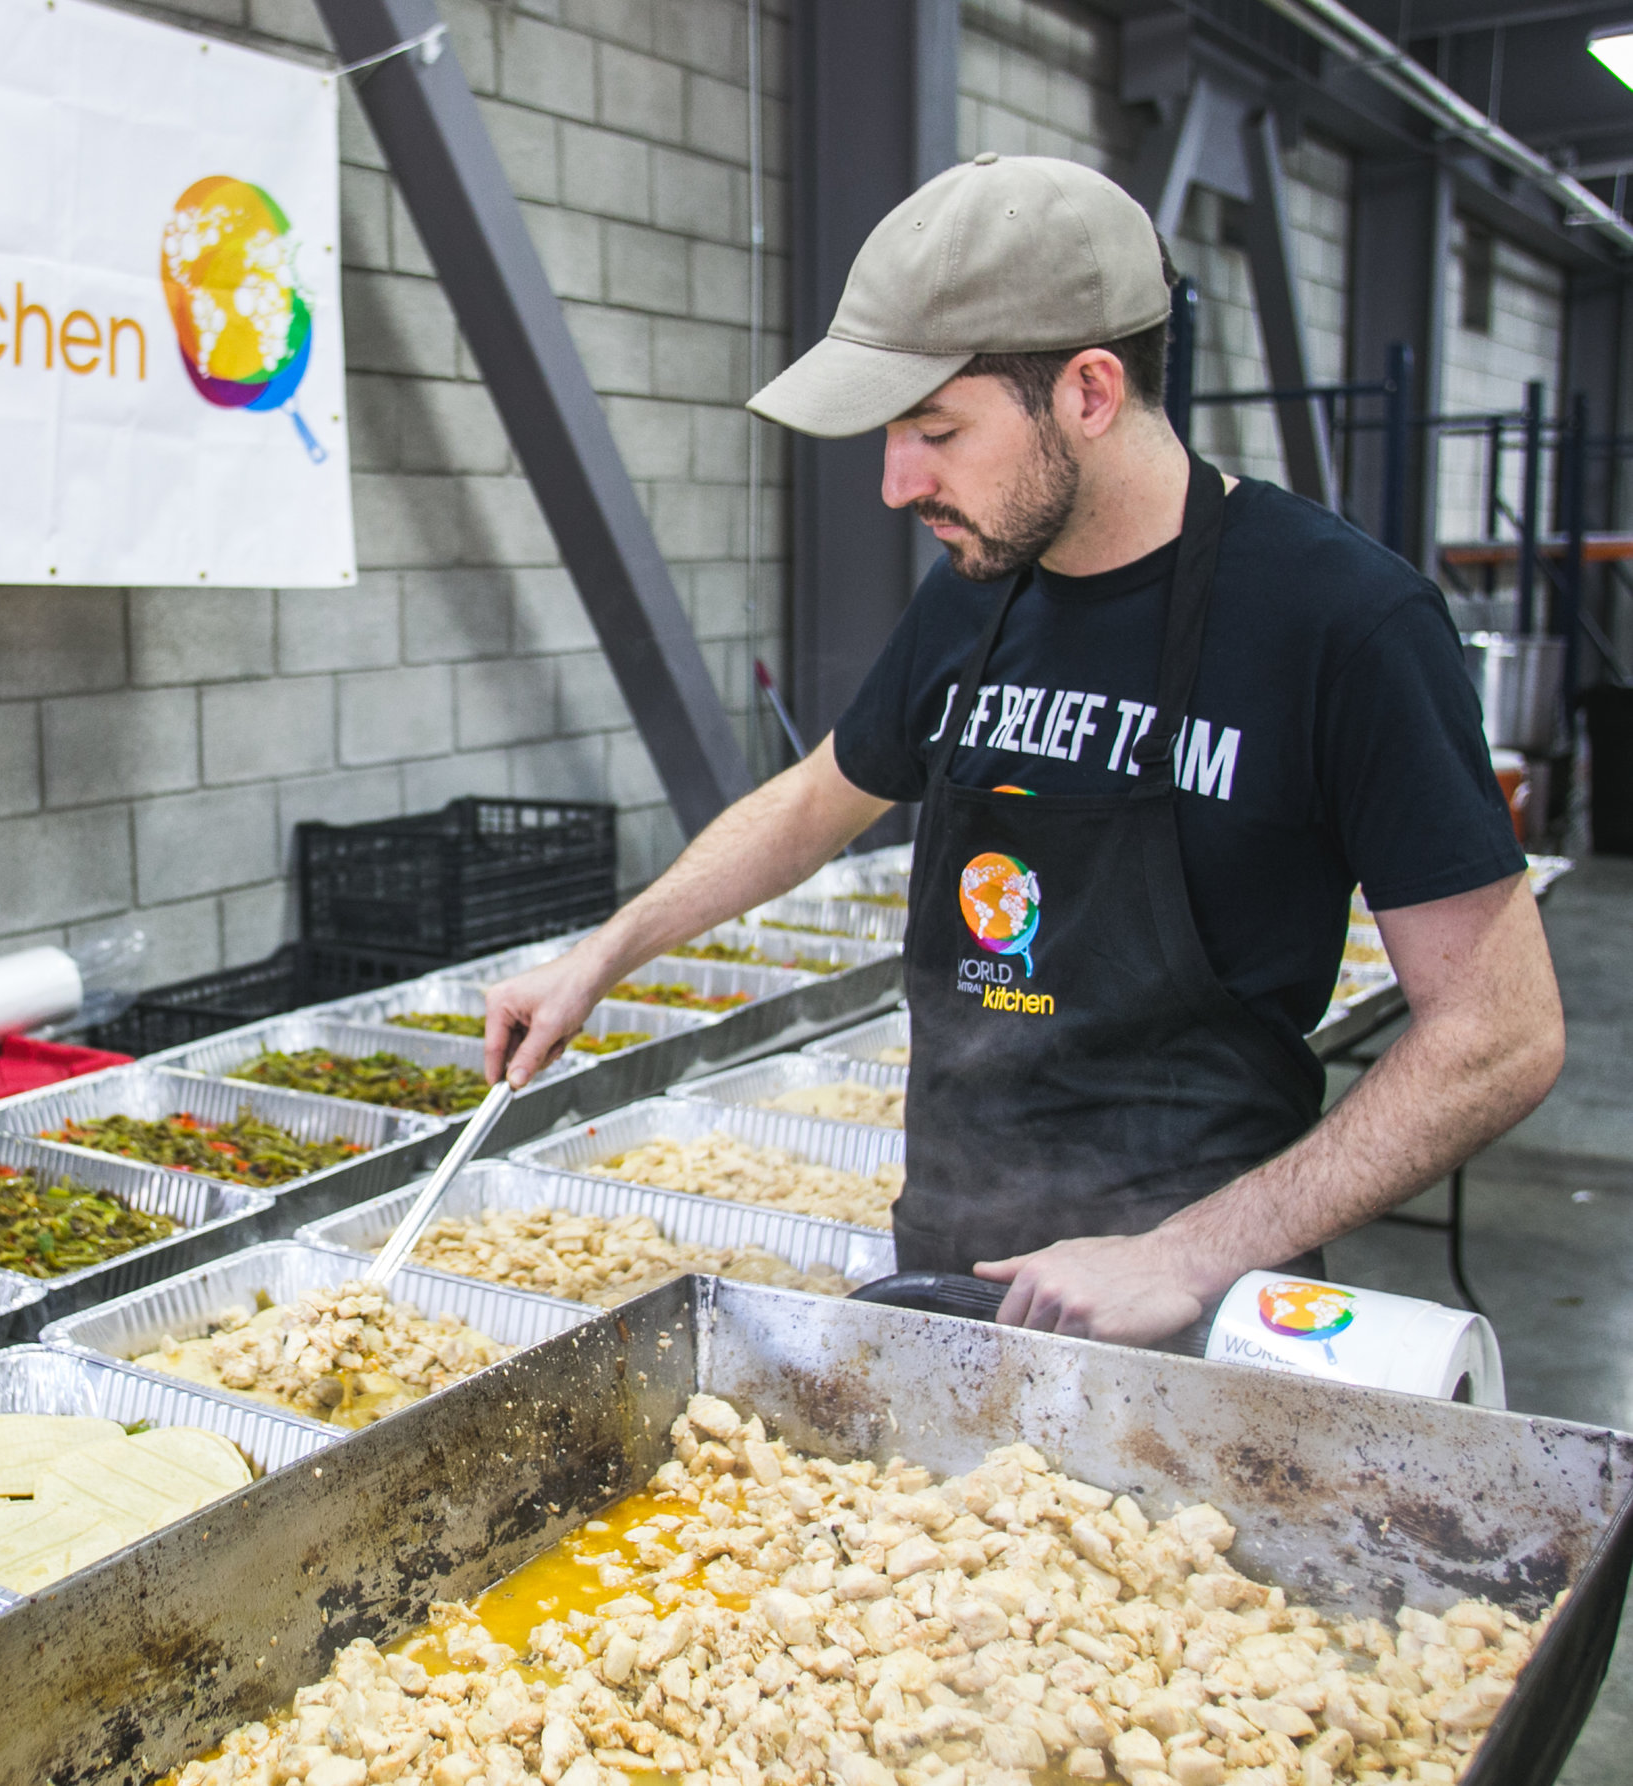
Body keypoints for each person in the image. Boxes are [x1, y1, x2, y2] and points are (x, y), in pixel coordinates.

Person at [485, 153, 1563, 1345]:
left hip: (1192, 1299)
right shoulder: (974, 591)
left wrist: (1182, 1253)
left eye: (936, 429)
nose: (898, 483)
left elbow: (1497, 1033)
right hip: (947, 1253)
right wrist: (602, 955)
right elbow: (811, 801)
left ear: (1089, 392)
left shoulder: (1341, 621)